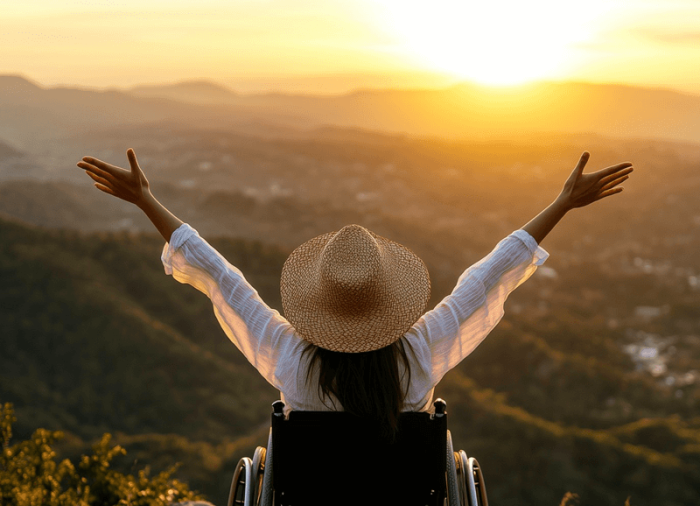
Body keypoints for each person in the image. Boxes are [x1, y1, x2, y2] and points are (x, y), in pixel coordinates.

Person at [77, 149, 633, 435]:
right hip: (404, 503)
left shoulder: (290, 358)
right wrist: (561, 205)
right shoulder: (419, 354)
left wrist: (147, 201)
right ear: (389, 302)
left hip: (312, 504)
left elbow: (223, 279)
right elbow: (486, 277)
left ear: (317, 305)